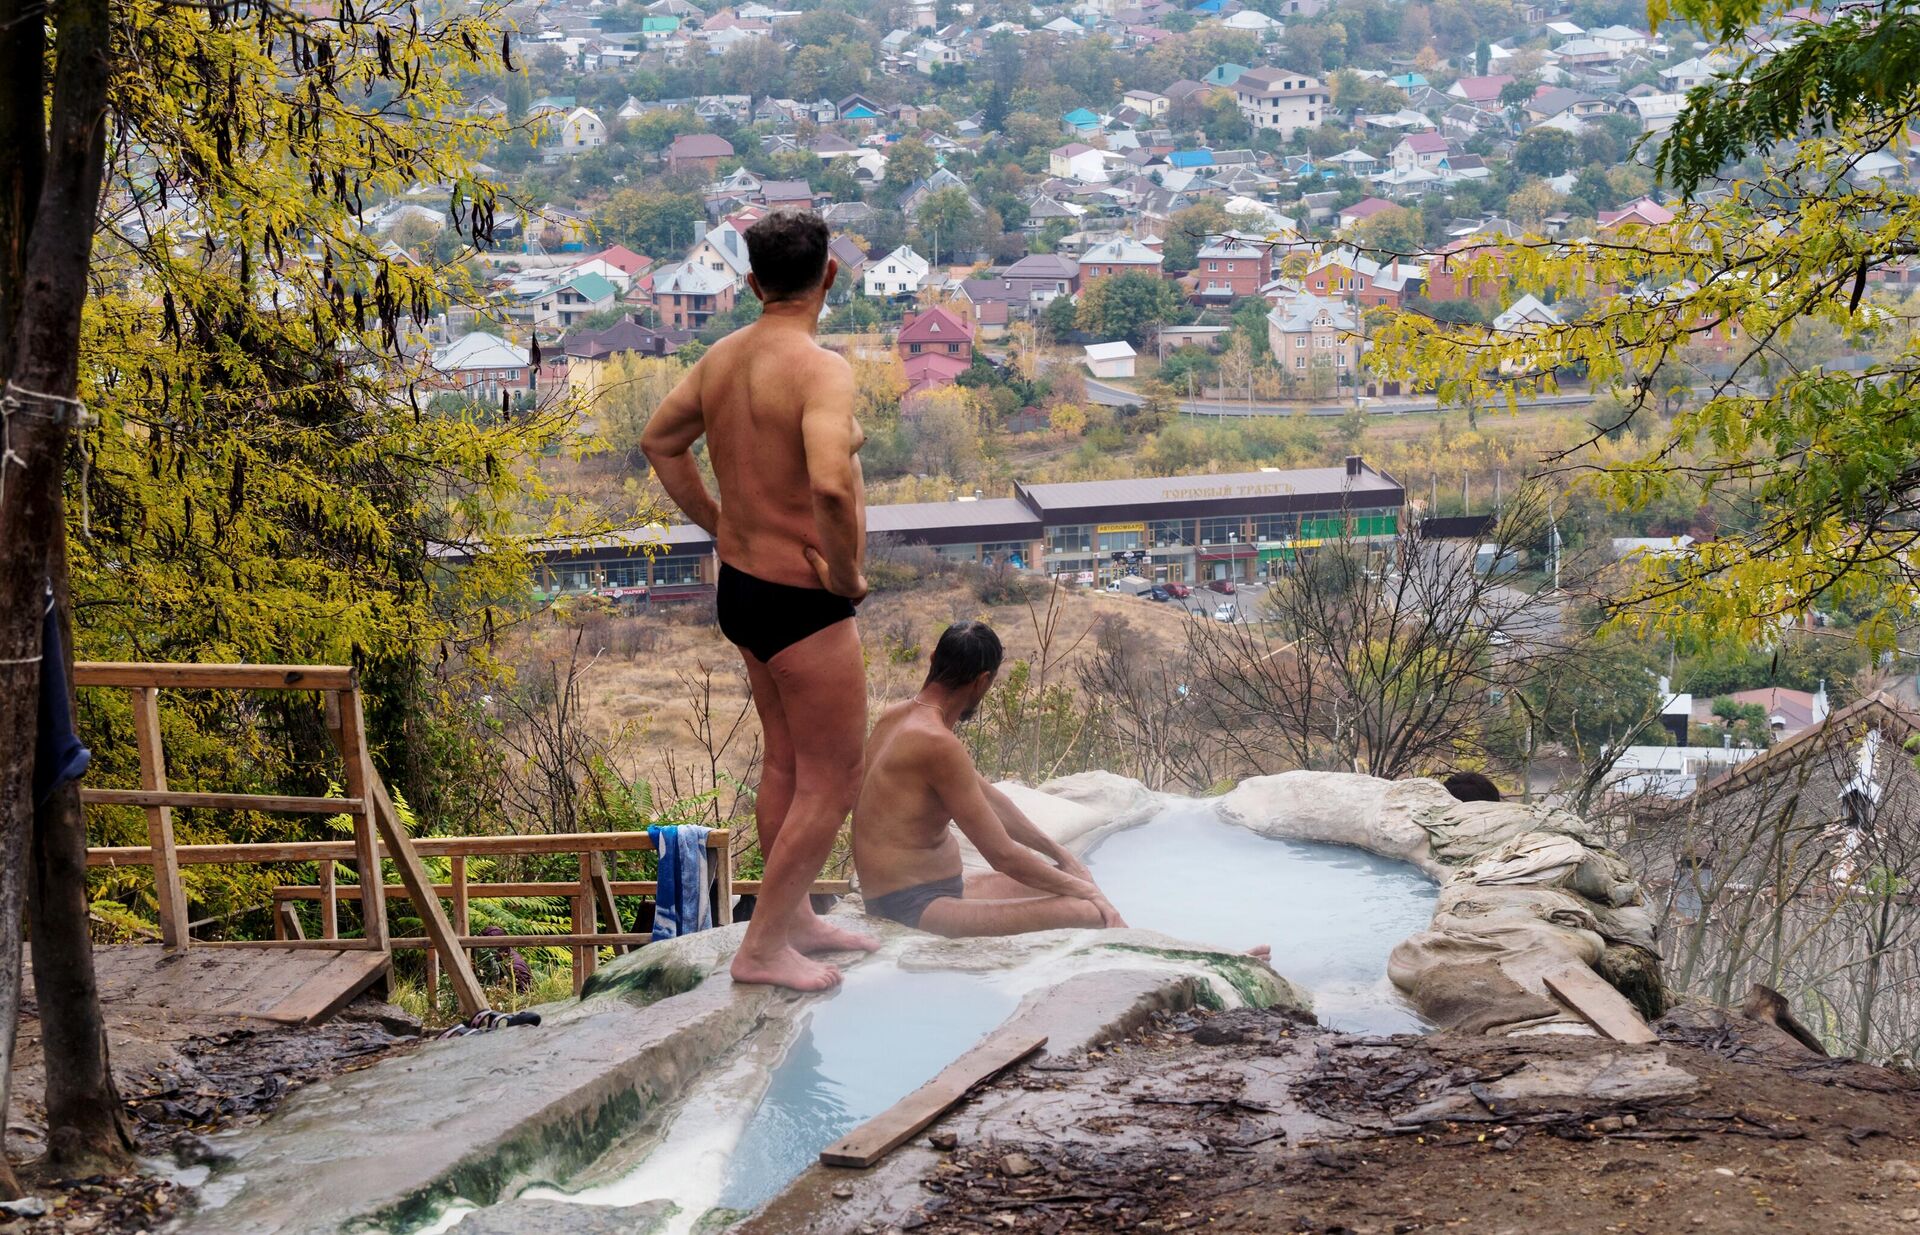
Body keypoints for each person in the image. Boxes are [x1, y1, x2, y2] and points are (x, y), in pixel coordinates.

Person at [641, 209, 878, 991]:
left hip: (742, 589)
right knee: (834, 777)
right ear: (830, 275)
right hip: (803, 600)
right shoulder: (820, 369)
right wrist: (845, 575)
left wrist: (719, 524)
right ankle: (764, 945)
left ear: (750, 283)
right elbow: (831, 486)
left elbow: (660, 441)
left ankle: (794, 917)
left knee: (786, 758)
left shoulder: (721, 358)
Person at [852, 622, 1130, 937]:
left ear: (932, 659)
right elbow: (1003, 856)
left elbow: (994, 802)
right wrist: (1088, 893)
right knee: (1089, 910)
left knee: (1075, 883)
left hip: (928, 892)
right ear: (983, 681)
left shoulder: (896, 717)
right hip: (913, 907)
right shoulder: (936, 742)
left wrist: (1062, 856)